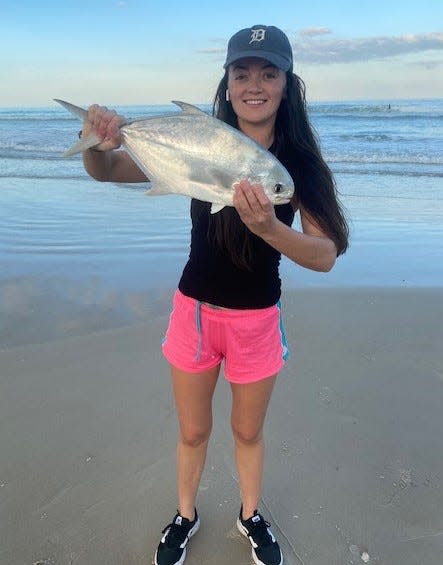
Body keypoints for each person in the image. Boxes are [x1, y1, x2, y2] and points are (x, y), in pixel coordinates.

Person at [81, 24, 349, 565]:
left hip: (256, 321)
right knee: (193, 430)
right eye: (241, 72)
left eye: (268, 73)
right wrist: (96, 142)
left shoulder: (296, 163)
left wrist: (272, 229)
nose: (254, 84)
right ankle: (185, 515)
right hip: (195, 313)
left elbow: (325, 254)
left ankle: (250, 515)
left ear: (286, 84)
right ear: (226, 83)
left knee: (247, 432)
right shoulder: (198, 138)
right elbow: (108, 171)